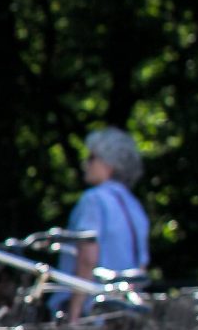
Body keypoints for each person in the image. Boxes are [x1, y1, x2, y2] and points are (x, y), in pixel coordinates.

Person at [64, 126, 151, 304]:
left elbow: (88, 258)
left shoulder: (93, 199)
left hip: (94, 307)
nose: (85, 164)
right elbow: (141, 265)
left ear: (110, 164)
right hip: (125, 307)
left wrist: (74, 314)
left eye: (91, 158)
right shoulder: (135, 206)